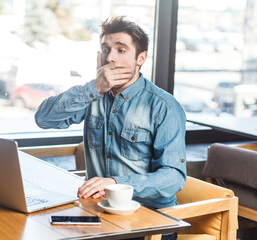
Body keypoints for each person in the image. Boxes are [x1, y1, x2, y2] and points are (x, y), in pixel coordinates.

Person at [35, 16, 186, 240]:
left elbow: (173, 177)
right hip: (100, 215)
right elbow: (44, 119)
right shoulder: (93, 94)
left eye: (121, 50)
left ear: (140, 58)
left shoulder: (164, 106)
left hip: (149, 221)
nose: (110, 57)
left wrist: (116, 184)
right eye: (105, 49)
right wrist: (95, 87)